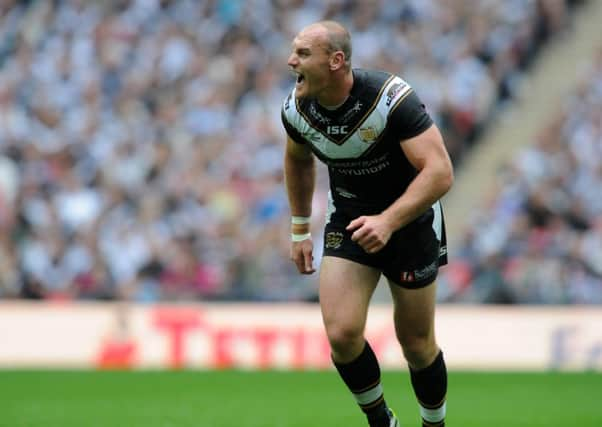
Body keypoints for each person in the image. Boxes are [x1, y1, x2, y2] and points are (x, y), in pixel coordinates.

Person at [281, 21, 453, 427]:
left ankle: (434, 424)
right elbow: (297, 158)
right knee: (341, 334)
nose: (291, 62)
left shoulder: (390, 100)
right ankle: (382, 422)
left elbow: (440, 172)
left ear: (336, 61)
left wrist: (389, 221)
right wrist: (300, 228)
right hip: (351, 219)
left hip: (410, 221)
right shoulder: (296, 108)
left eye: (303, 54)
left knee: (416, 344)